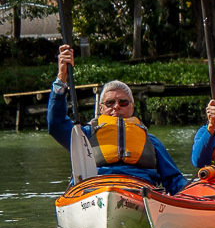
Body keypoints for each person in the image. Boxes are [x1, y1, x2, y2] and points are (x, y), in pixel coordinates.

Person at [47, 45, 187, 193]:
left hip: (140, 192)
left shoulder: (151, 142)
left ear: (132, 107)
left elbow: (174, 180)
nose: (116, 107)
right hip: (95, 191)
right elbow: (55, 123)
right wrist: (61, 77)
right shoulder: (84, 136)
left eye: (123, 102)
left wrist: (195, 192)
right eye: (110, 103)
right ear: (101, 108)